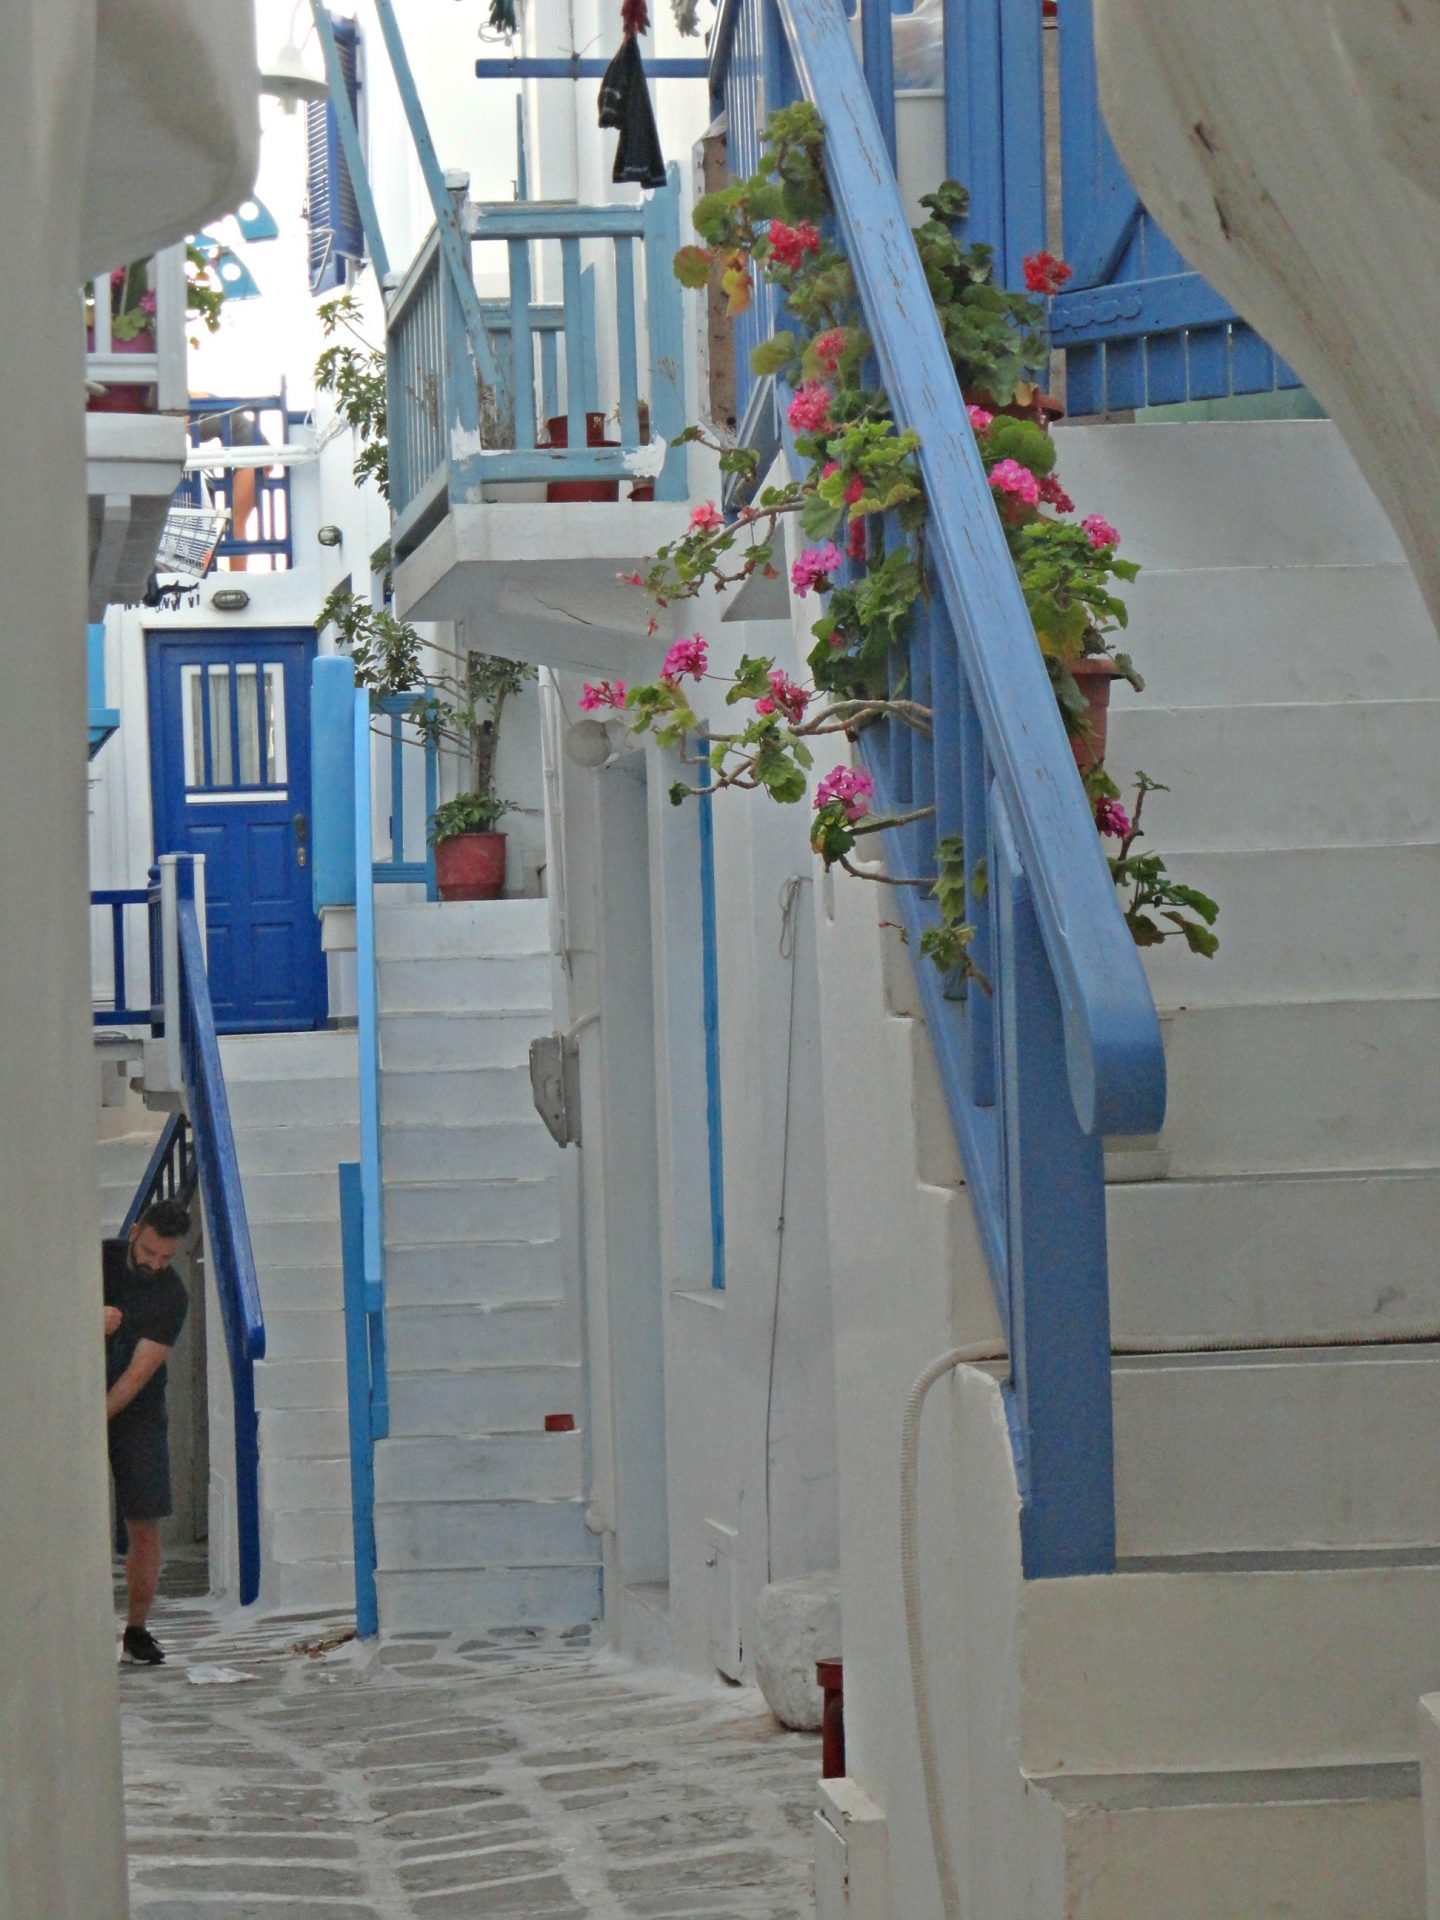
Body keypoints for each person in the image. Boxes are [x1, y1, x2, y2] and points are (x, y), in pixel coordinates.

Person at [103, 1199, 191, 1665]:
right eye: (149, 1252)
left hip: (138, 1409)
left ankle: (136, 1630)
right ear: (135, 1231)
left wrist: (93, 1422)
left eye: (166, 1258)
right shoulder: (98, 1260)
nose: (155, 1264)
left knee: (145, 1518)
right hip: (71, 1394)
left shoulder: (172, 1296)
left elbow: (137, 1377)